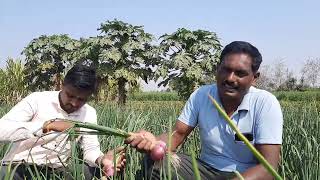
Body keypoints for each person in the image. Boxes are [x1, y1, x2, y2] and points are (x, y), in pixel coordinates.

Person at [125, 41, 283, 180]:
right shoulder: (202, 95)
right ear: (217, 69)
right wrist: (154, 143)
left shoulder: (265, 103)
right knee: (154, 161)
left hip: (245, 175)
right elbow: (177, 134)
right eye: (225, 70)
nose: (230, 78)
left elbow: (268, 167)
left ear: (255, 77)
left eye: (240, 73)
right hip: (205, 170)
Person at [0, 63, 126, 179]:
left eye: (82, 99)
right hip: (20, 166)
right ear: (62, 85)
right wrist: (48, 126)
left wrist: (102, 159)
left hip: (57, 170)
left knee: (99, 172)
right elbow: (2, 130)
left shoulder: (89, 112)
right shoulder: (37, 99)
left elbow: (90, 149)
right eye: (70, 95)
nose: (74, 103)